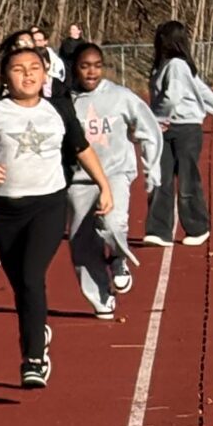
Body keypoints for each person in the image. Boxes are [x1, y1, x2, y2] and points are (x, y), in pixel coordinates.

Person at [0, 40, 111, 388]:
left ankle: (33, 358)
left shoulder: (58, 110)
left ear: (45, 74)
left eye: (34, 69)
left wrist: (105, 185)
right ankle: (36, 325)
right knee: (22, 286)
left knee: (30, 278)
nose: (27, 75)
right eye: (18, 69)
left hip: (48, 205)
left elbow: (81, 147)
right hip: (5, 209)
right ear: (5, 78)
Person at [68, 41, 158, 316]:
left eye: (97, 66)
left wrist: (152, 168)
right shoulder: (66, 101)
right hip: (79, 181)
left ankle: (119, 257)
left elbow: (148, 127)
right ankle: (101, 298)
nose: (92, 72)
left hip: (116, 172)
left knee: (112, 220)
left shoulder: (120, 96)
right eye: (85, 66)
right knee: (81, 245)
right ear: (75, 68)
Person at [144, 20, 213, 248]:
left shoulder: (177, 66)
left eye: (162, 37)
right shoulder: (165, 65)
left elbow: (173, 97)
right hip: (167, 130)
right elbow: (201, 89)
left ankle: (198, 227)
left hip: (185, 129)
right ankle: (159, 231)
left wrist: (155, 119)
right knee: (162, 179)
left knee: (188, 179)